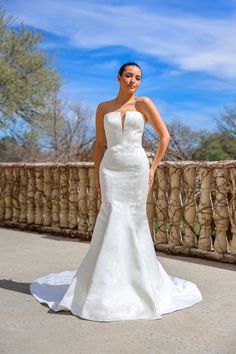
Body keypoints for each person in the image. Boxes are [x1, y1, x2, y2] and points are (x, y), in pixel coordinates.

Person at [30, 62, 203, 322]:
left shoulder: (144, 103)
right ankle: (104, 283)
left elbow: (164, 137)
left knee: (133, 220)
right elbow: (99, 145)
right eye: (129, 76)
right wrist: (97, 173)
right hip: (111, 169)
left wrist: (153, 168)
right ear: (119, 77)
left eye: (138, 78)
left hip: (136, 168)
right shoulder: (103, 107)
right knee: (110, 216)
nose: (134, 81)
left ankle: (138, 281)